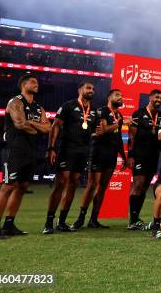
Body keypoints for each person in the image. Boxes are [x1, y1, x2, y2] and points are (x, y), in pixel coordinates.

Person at [0, 74, 51, 240]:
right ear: (23, 85)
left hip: (30, 151)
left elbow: (48, 128)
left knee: (22, 187)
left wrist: (31, 124)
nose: (37, 84)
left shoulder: (39, 108)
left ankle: (9, 225)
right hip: (13, 150)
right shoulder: (15, 102)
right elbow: (19, 124)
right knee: (8, 187)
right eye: (33, 82)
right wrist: (36, 127)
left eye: (37, 82)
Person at [73, 89, 131, 229]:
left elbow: (117, 138)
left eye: (121, 96)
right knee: (92, 185)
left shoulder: (119, 115)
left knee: (103, 187)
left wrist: (124, 157)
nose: (120, 97)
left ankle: (93, 219)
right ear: (109, 97)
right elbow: (103, 130)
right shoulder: (102, 111)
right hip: (98, 152)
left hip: (111, 155)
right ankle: (80, 219)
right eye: (117, 95)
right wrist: (118, 125)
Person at [44, 81, 97, 234]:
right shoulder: (68, 105)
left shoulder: (93, 110)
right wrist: (51, 147)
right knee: (61, 183)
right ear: (80, 89)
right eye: (88, 88)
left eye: (93, 89)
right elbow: (56, 125)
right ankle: (48, 223)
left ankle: (61, 222)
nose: (91, 90)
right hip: (67, 148)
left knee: (73, 183)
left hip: (84, 151)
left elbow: (92, 130)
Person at [126, 89, 161, 230]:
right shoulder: (138, 114)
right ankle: (132, 220)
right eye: (157, 97)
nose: (159, 100)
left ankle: (136, 219)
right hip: (139, 155)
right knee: (138, 184)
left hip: (153, 156)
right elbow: (131, 136)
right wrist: (130, 155)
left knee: (144, 188)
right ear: (150, 98)